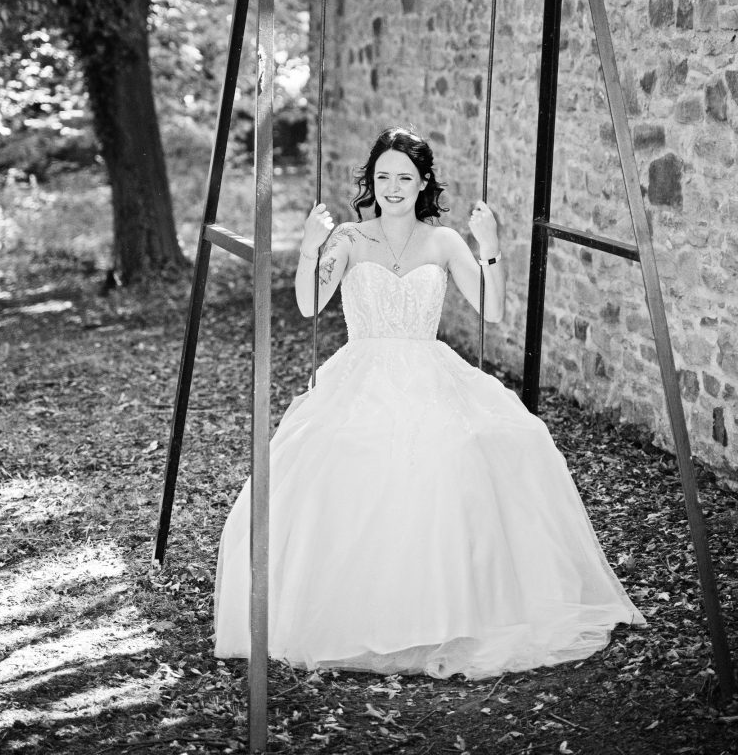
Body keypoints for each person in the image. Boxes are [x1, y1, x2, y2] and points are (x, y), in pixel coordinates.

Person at [214, 126, 644, 679]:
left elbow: (491, 311)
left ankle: (450, 608)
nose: (393, 186)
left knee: (462, 450)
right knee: (344, 456)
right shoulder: (347, 238)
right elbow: (308, 304)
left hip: (428, 367)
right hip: (361, 370)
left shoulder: (443, 242)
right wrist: (308, 248)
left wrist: (489, 248)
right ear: (371, 181)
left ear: (423, 184)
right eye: (384, 176)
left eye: (405, 177)